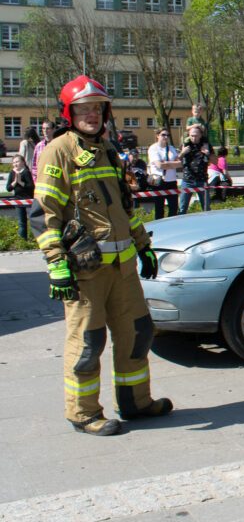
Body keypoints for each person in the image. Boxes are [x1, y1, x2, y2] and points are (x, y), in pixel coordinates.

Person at [30, 76, 172, 436]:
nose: (92, 114)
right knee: (88, 343)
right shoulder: (58, 151)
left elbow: (123, 207)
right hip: (86, 272)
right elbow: (43, 214)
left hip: (123, 270)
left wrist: (142, 244)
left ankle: (136, 403)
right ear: (70, 112)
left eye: (97, 107)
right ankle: (83, 413)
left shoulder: (107, 149)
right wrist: (56, 263)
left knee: (137, 334)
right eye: (84, 108)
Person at [147, 129, 180, 219]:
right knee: (159, 208)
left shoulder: (172, 148)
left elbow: (180, 163)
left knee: (174, 208)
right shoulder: (153, 148)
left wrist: (167, 163)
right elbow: (160, 165)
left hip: (172, 181)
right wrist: (171, 164)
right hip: (158, 182)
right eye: (163, 135)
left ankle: (171, 227)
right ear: (157, 135)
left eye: (167, 135)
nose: (166, 137)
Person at [178, 125, 212, 213]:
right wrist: (182, 153)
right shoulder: (185, 145)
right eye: (191, 136)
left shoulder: (206, 145)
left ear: (201, 135)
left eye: (196, 136)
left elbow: (216, 162)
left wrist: (207, 153)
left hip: (202, 180)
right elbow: (177, 160)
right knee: (182, 208)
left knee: (206, 208)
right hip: (187, 180)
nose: (193, 138)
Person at [6, 154, 34, 239]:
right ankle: (23, 240)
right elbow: (8, 188)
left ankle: (36, 238)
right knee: (21, 222)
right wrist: (14, 182)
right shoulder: (12, 173)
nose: (15, 164)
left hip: (28, 200)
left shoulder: (26, 172)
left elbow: (31, 186)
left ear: (23, 162)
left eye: (17, 161)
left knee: (33, 220)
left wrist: (21, 182)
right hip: (17, 199)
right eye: (14, 162)